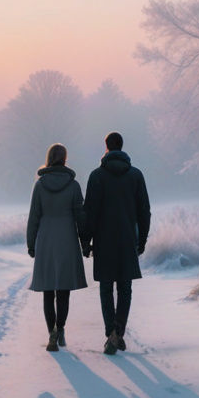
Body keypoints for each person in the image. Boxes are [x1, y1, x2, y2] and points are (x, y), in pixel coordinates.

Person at [82, 131, 151, 355]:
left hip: (103, 240)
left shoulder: (96, 176)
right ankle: (118, 332)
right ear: (122, 147)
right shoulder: (136, 175)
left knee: (105, 287)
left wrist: (86, 241)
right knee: (125, 288)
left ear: (106, 147)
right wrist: (142, 240)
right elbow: (144, 211)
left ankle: (110, 332)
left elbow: (89, 212)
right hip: (127, 238)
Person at [26, 142, 89, 352]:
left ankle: (51, 332)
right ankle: (60, 329)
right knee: (63, 290)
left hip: (45, 239)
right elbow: (81, 216)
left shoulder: (40, 185)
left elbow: (34, 216)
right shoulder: (73, 185)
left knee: (47, 290)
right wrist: (85, 242)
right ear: (64, 159)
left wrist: (31, 243)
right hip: (67, 239)